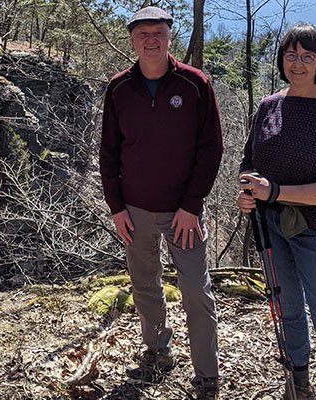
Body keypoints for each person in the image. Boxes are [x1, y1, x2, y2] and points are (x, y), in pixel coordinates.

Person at [237, 23, 316, 400]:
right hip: (270, 225)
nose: (298, 63)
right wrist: (247, 191)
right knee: (289, 312)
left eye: (307, 56)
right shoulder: (268, 107)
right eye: (291, 54)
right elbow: (250, 161)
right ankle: (299, 388)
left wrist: (275, 190)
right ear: (282, 60)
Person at [99, 6, 222, 399]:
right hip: (134, 211)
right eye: (142, 33)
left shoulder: (195, 84)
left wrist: (193, 205)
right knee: (145, 285)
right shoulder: (118, 88)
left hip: (183, 212)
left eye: (158, 32)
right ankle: (157, 351)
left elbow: (211, 148)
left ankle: (206, 374)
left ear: (170, 36)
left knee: (195, 291)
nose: (150, 39)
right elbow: (109, 153)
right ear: (132, 39)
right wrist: (116, 207)